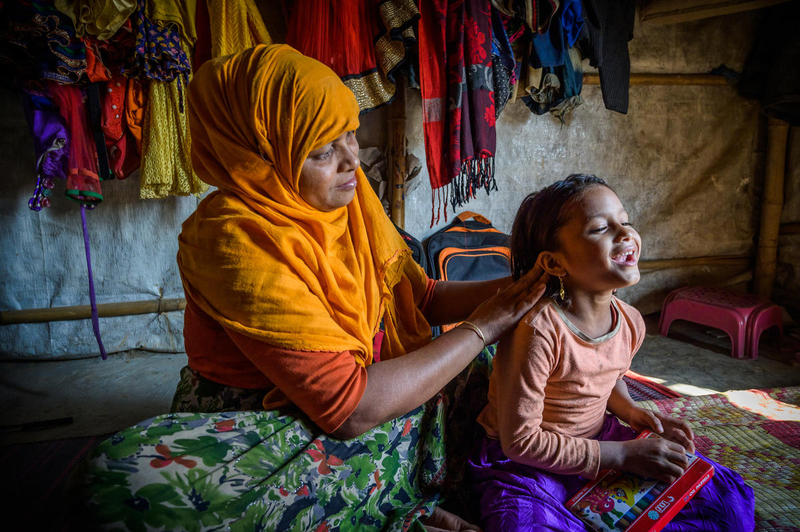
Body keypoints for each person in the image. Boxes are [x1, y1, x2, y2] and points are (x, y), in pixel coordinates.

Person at [69, 44, 547, 532]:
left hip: (367, 397)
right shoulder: (234, 239)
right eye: (322, 151)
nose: (350, 160)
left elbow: (420, 300)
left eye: (350, 134)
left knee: (518, 363)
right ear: (260, 156)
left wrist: (526, 288)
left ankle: (385, 496)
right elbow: (350, 410)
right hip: (274, 421)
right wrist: (483, 326)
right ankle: (394, 495)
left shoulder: (349, 202)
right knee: (122, 483)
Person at [467, 174, 756, 531]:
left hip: (600, 440)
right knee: (521, 523)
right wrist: (622, 455)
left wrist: (631, 411)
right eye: (600, 228)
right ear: (555, 263)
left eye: (625, 220)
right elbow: (521, 443)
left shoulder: (631, 321)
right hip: (527, 464)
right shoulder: (537, 331)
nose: (624, 233)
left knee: (727, 502)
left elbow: (610, 378)